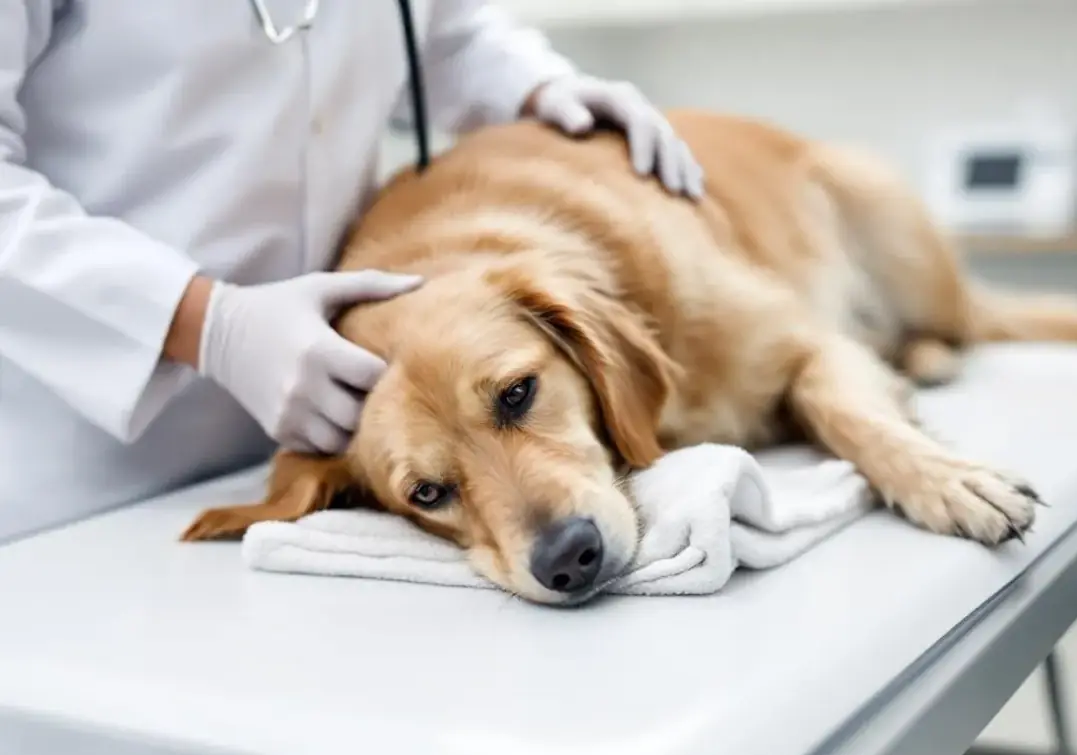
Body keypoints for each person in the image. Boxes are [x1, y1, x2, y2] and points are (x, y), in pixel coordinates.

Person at [0, 0, 704, 543]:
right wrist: (209, 326)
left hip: (323, 457)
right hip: (74, 473)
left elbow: (428, 31)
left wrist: (539, 87)